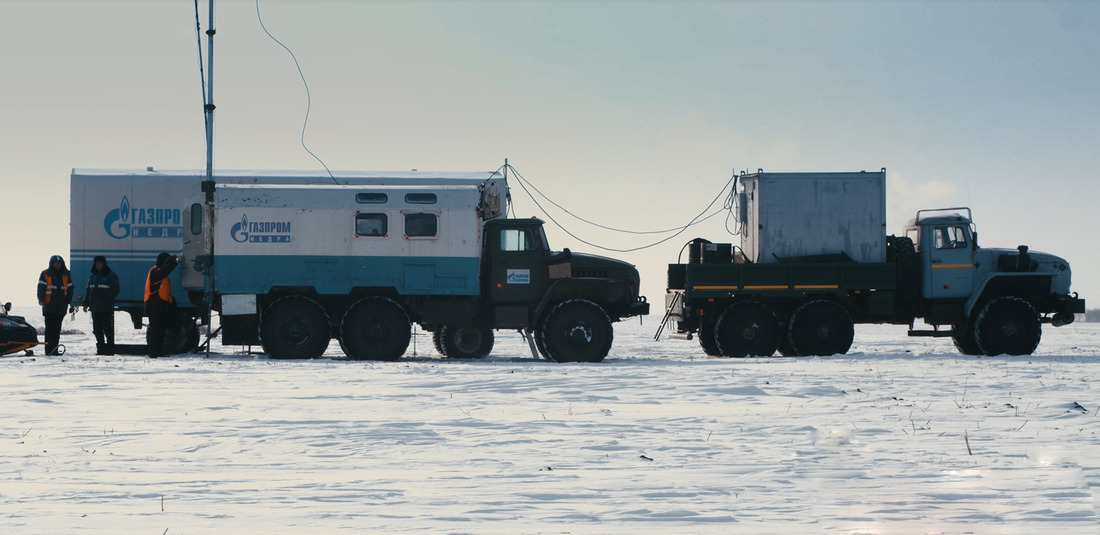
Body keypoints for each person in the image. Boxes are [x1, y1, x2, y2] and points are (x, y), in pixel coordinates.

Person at [144, 252, 180, 358]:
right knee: (156, 331)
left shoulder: (159, 273)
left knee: (160, 331)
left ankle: (158, 352)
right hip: (154, 307)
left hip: (160, 306)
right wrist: (175, 263)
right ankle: (154, 353)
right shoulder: (155, 271)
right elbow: (164, 272)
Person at [37, 255, 74, 356]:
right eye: (55, 263)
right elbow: (41, 288)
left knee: (57, 330)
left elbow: (70, 289)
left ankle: (54, 350)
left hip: (61, 307)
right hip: (49, 306)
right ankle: (48, 350)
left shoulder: (67, 274)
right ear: (52, 263)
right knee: (49, 330)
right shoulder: (45, 274)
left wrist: (70, 302)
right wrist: (41, 300)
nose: (57, 264)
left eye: (59, 263)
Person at [83, 255, 120, 355]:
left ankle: (110, 350)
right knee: (97, 330)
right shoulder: (92, 276)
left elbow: (115, 289)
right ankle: (100, 349)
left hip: (106, 308)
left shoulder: (111, 275)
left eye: (100, 263)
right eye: (97, 263)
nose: (98, 265)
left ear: (104, 264)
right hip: (95, 308)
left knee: (108, 330)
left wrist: (105, 299)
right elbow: (88, 290)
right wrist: (85, 303)